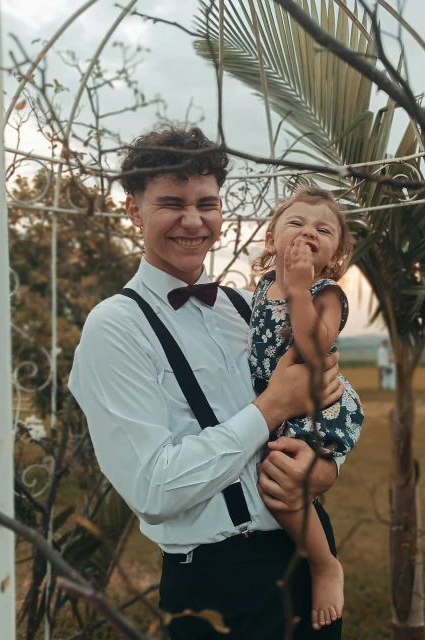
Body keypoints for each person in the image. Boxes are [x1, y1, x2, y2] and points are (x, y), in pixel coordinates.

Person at [69, 126, 346, 640]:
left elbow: (326, 401)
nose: (193, 220)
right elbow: (153, 489)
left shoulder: (252, 307)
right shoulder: (115, 325)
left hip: (306, 555)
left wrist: (325, 467)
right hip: (218, 581)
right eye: (171, 203)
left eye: (206, 203)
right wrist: (266, 409)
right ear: (133, 209)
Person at [248, 186, 364, 630]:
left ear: (336, 252)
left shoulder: (325, 291)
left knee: (279, 485)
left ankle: (323, 564)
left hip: (315, 408)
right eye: (296, 222)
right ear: (271, 238)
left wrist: (299, 290)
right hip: (282, 404)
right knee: (280, 481)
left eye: (324, 228)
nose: (309, 231)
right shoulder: (261, 287)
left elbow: (316, 350)